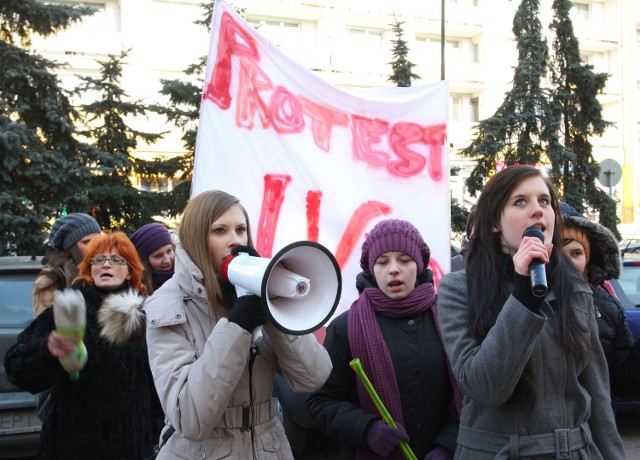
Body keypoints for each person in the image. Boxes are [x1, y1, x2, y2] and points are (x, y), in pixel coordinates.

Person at [437, 165, 625, 459]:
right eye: (520, 201)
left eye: (545, 201)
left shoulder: (574, 288)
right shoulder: (458, 289)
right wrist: (524, 295)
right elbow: (485, 387)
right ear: (495, 222)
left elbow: (598, 397)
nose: (537, 210)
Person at [143, 189, 332, 459]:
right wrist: (236, 327)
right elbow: (189, 418)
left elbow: (313, 376)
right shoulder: (167, 306)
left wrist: (274, 306)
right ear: (197, 238)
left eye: (241, 230)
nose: (235, 240)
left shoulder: (253, 296)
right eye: (220, 231)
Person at [307, 219, 463, 460]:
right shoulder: (345, 327)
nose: (393, 269)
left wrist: (448, 445)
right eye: (383, 262)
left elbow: (470, 396)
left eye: (404, 260)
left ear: (420, 265)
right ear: (371, 269)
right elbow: (320, 402)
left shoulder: (449, 319)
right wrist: (366, 429)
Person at [4, 232, 163, 460]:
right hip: (75, 444)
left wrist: (156, 433)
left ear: (130, 271)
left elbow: (153, 383)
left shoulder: (143, 316)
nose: (106, 264)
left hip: (131, 446)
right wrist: (47, 350)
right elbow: (15, 365)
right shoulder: (69, 307)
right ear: (90, 268)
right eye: (98, 259)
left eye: (117, 260)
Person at [560, 201, 640, 401]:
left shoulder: (606, 306)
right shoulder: (519, 302)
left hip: (594, 428)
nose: (567, 262)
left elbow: (625, 387)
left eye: (576, 253)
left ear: (587, 257)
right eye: (557, 253)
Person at [33, 213, 101, 318]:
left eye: (97, 241)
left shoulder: (106, 270)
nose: (94, 247)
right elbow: (42, 326)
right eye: (86, 242)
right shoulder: (52, 277)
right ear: (71, 247)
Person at [130, 223, 175, 296]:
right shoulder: (137, 292)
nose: (167, 260)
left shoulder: (188, 275)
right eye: (158, 256)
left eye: (169, 251)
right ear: (144, 261)